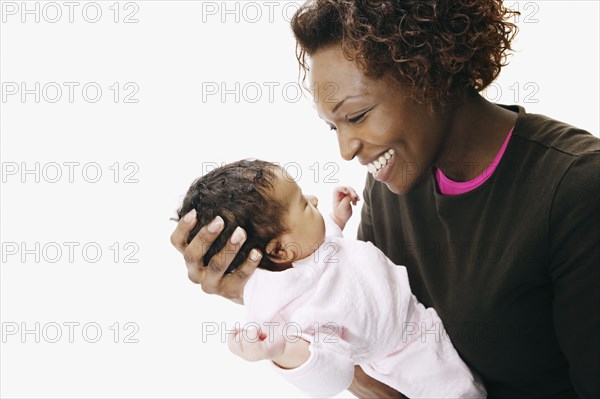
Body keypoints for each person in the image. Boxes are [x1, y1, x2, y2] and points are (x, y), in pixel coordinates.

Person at [171, 1, 599, 397]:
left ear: (427, 72)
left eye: (355, 116)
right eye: (333, 127)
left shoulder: (577, 190)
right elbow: (376, 347)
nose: (345, 150)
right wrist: (267, 291)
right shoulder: (390, 184)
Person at [173, 159, 486, 398]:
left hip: (415, 312)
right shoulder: (295, 310)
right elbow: (333, 375)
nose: (314, 200)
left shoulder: (308, 249)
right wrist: (282, 352)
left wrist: (337, 218)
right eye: (302, 205)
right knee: (456, 389)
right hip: (400, 352)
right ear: (280, 250)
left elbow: (327, 252)